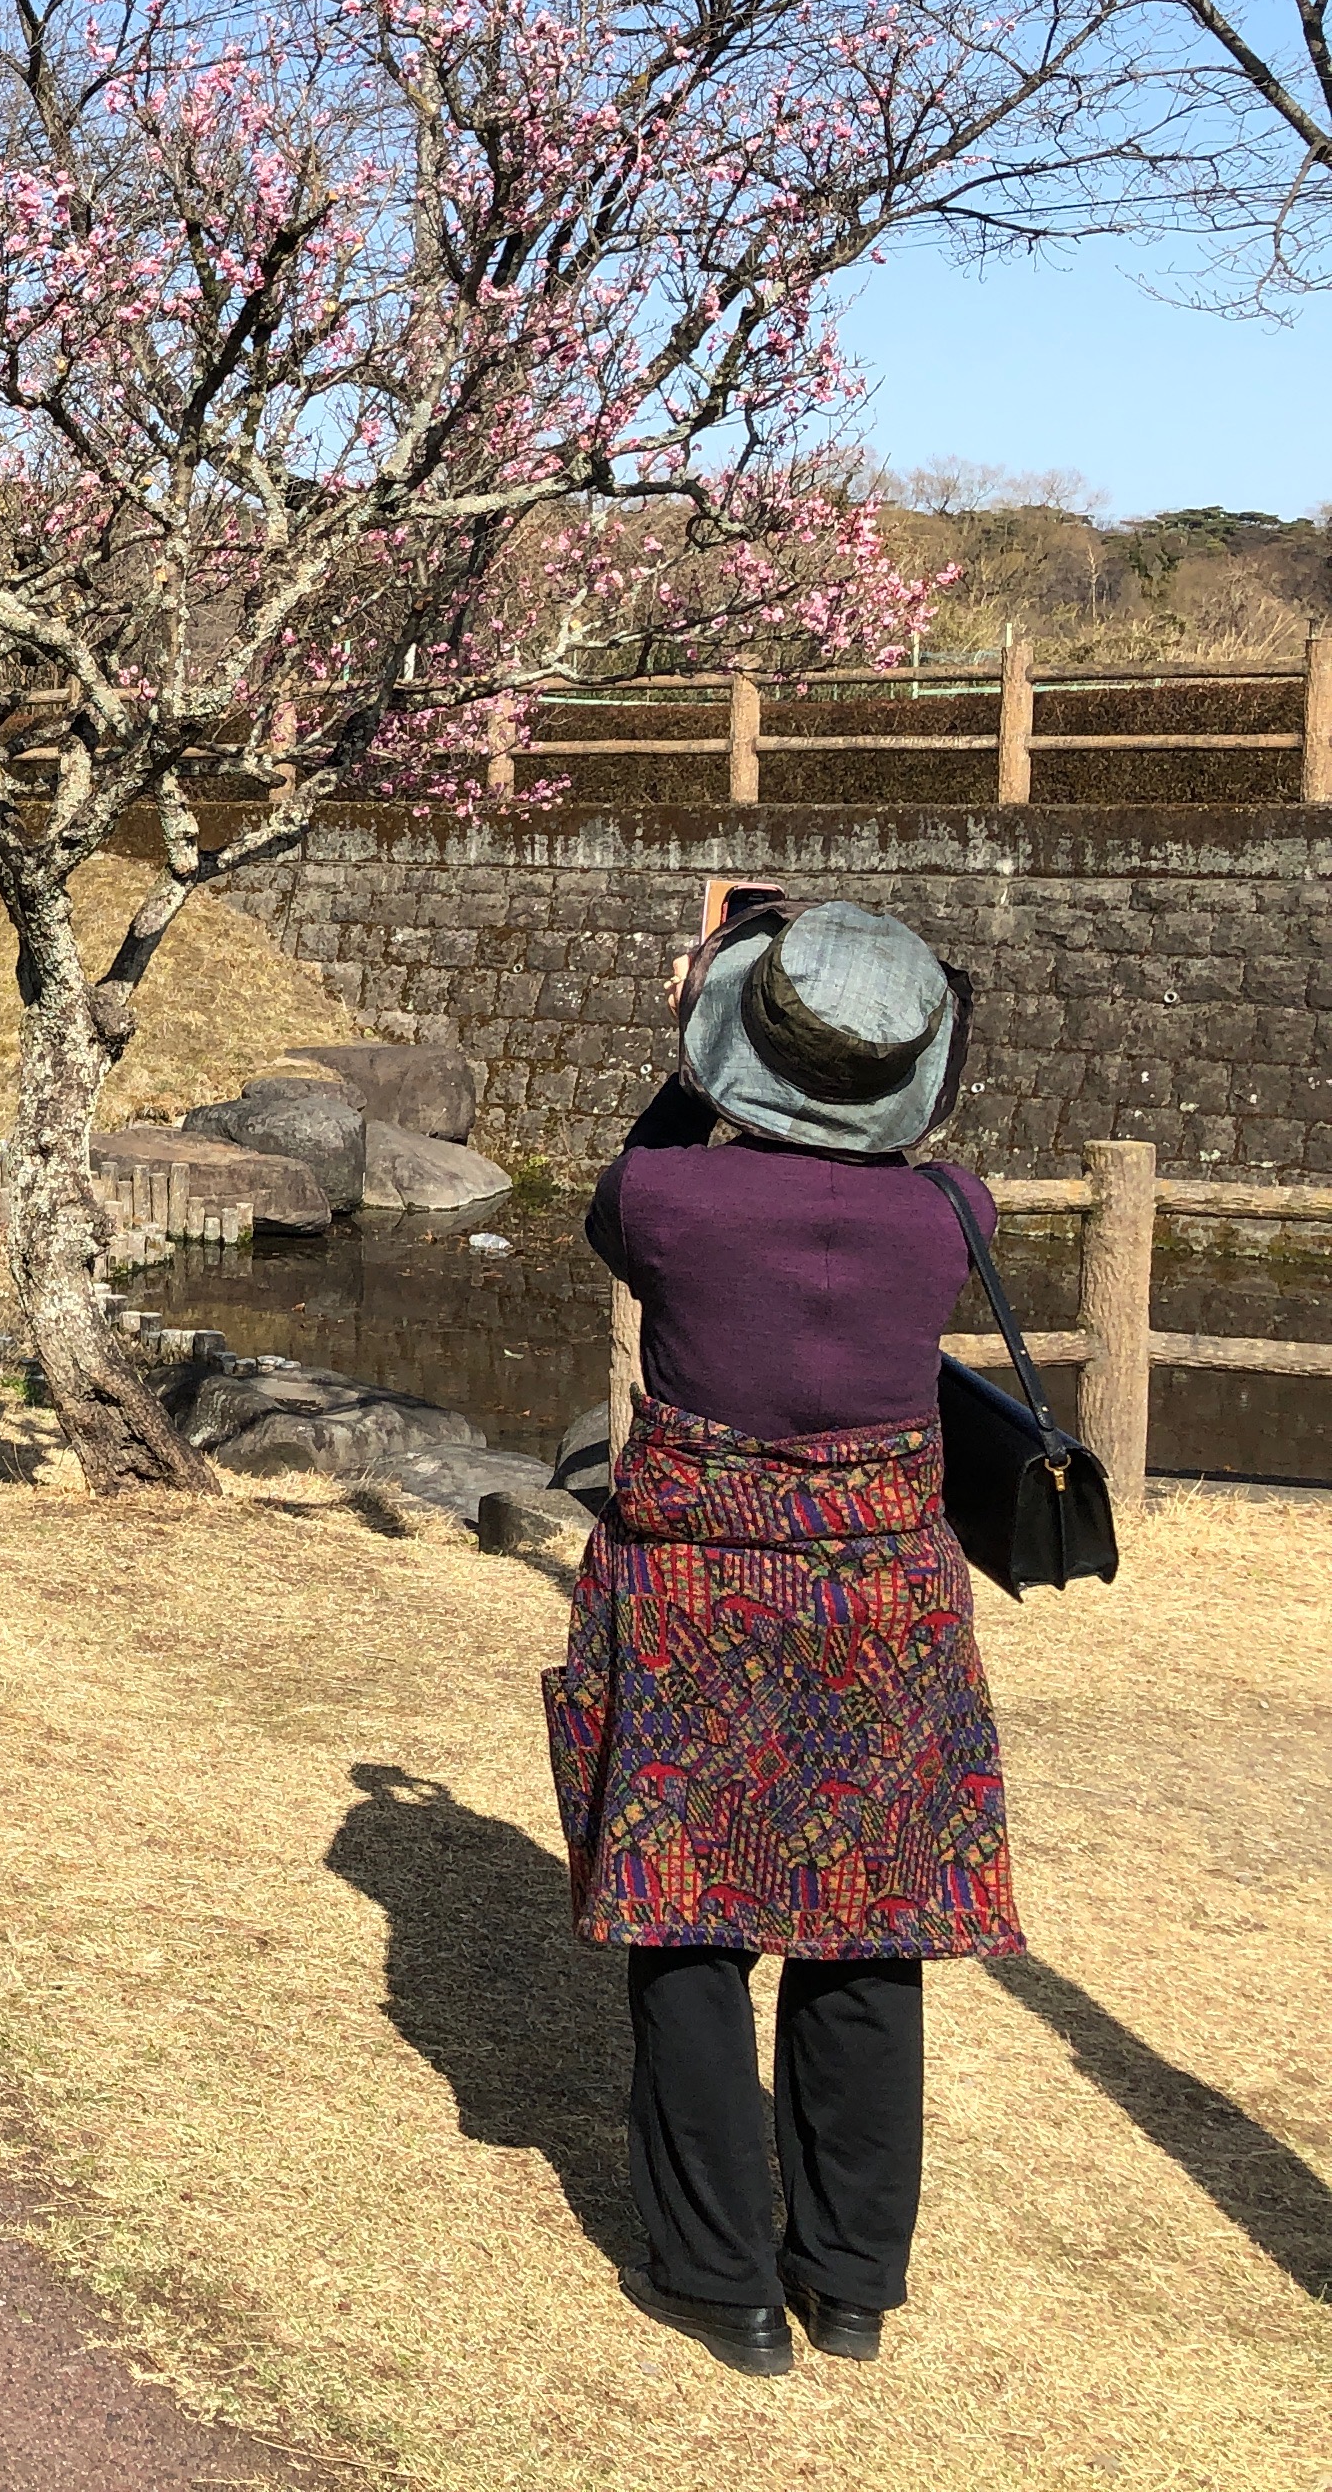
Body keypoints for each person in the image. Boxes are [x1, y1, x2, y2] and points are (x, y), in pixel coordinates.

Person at [552, 897, 1018, 2379]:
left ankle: (722, 2281)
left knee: (689, 1923)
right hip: (883, 1606)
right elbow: (908, 1145)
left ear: (732, 1044)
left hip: (696, 1595)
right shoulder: (953, 1215)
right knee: (872, 1934)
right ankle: (853, 2282)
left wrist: (703, 1033)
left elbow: (639, 1171)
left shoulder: (665, 1204)